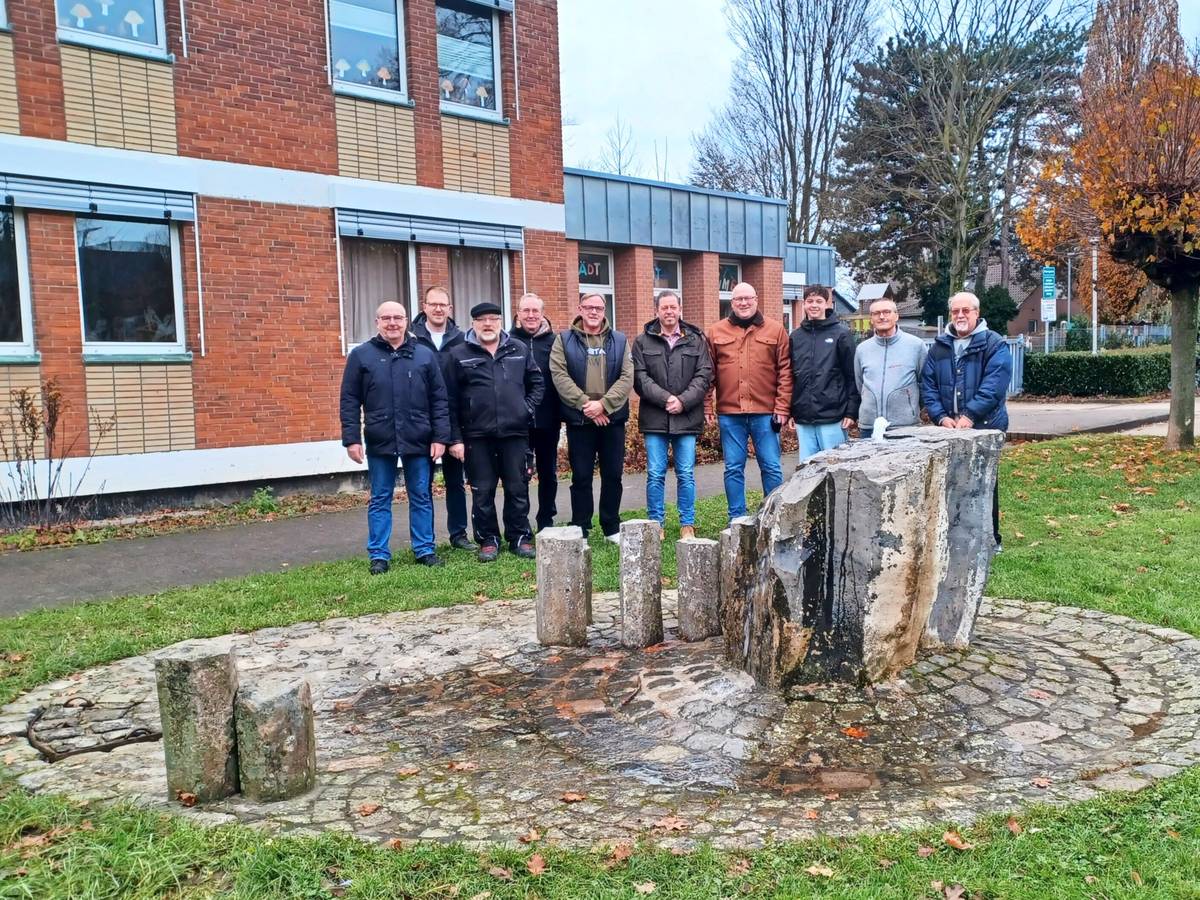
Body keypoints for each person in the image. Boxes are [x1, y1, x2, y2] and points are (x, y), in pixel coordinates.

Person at [339, 301, 450, 573]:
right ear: (377, 322)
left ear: (406, 322)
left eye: (397, 318)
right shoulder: (361, 356)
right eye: (386, 318)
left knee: (421, 495)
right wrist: (351, 439)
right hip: (380, 439)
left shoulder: (424, 356)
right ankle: (379, 555)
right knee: (380, 497)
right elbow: (349, 400)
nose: (392, 323)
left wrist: (440, 437)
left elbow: (439, 400)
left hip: (419, 438)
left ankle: (424, 549)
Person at [445, 302, 544, 562]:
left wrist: (525, 409)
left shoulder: (518, 349)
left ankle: (520, 537)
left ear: (501, 322)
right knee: (482, 490)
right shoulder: (458, 354)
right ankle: (488, 539)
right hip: (476, 436)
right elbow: (450, 401)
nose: (487, 324)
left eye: (493, 319)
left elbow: (537, 383)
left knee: (517, 487)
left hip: (515, 433)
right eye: (482, 320)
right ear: (473, 324)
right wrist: (455, 438)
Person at [920, 290, 1013, 550]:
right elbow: (928, 385)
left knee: (984, 485)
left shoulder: (994, 344)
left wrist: (970, 415)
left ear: (976, 313)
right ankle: (955, 537)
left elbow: (994, 385)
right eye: (955, 311)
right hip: (949, 428)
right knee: (951, 484)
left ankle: (990, 540)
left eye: (966, 311)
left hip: (985, 426)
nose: (960, 315)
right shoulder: (940, 346)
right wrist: (940, 417)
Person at [549, 293, 634, 542]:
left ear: (604, 309)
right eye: (589, 307)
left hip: (612, 420)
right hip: (580, 420)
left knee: (612, 475)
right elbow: (559, 375)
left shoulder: (619, 340)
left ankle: (611, 527)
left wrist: (604, 406)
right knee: (582, 476)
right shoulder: (563, 340)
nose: (594, 312)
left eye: (598, 307)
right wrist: (587, 405)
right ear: (580, 309)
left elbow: (627, 377)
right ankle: (581, 526)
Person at [705, 281, 793, 520]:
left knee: (772, 467)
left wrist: (783, 406)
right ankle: (737, 519)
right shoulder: (715, 332)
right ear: (731, 303)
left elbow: (785, 371)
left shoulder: (776, 330)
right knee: (733, 468)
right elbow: (708, 372)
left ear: (756, 300)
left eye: (747, 298)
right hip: (730, 413)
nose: (743, 303)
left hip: (766, 413)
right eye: (738, 299)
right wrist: (707, 406)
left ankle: (772, 517)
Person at [632, 290, 713, 539]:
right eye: (664, 307)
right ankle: (656, 523)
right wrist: (666, 399)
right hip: (655, 418)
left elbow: (704, 374)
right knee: (655, 473)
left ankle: (687, 522)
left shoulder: (696, 340)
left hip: (687, 416)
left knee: (686, 473)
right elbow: (640, 378)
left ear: (680, 309)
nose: (669, 312)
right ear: (656, 310)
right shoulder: (642, 341)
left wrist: (683, 401)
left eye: (673, 307)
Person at [411, 285, 474, 552]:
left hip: (454, 420)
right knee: (422, 484)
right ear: (424, 306)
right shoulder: (411, 338)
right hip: (420, 421)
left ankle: (458, 534)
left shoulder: (462, 340)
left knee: (455, 481)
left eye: (443, 305)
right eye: (433, 304)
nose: (438, 309)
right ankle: (425, 538)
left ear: (450, 309)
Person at [510, 292, 561, 531]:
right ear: (518, 313)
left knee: (548, 472)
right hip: (518, 420)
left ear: (542, 314)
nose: (531, 316)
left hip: (549, 418)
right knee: (520, 474)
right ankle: (521, 522)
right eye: (526, 311)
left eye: (535, 311)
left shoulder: (555, 342)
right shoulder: (507, 342)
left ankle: (546, 519)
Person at [789, 286, 858, 459]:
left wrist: (851, 411)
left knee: (834, 469)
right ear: (803, 304)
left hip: (833, 416)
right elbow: (790, 376)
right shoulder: (795, 337)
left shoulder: (841, 334)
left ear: (827, 304)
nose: (814, 305)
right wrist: (790, 410)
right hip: (803, 417)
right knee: (807, 470)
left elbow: (852, 375)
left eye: (819, 301)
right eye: (810, 301)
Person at [855, 297, 928, 439]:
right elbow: (859, 384)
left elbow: (924, 383)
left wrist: (910, 408)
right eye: (876, 313)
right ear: (871, 318)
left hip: (905, 426)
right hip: (869, 426)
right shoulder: (862, 349)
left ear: (896, 316)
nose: (882, 317)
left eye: (887, 312)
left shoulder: (916, 346)